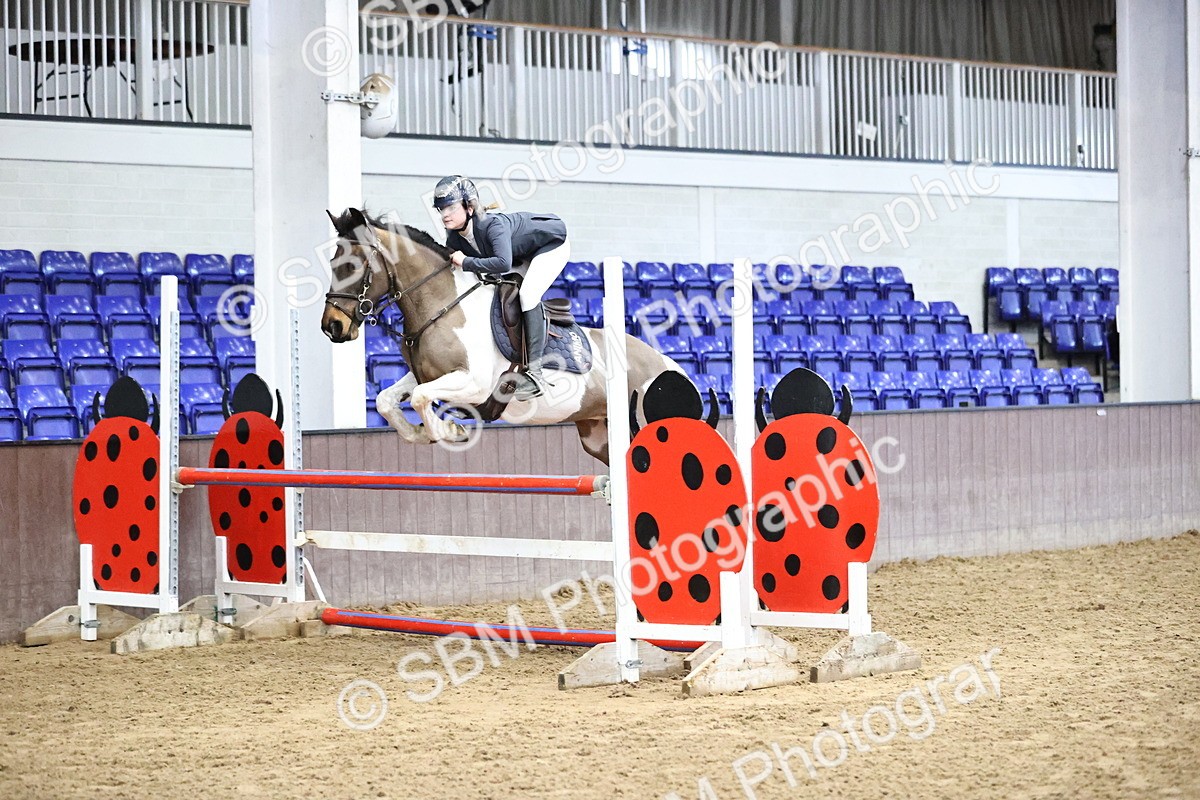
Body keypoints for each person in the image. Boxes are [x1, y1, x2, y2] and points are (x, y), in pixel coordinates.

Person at [433, 175, 570, 399]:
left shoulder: (491, 225)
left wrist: (466, 262)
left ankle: (536, 374)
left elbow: (502, 263)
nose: (444, 214)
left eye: (450, 207)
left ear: (469, 207)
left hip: (551, 245)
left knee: (528, 295)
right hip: (522, 255)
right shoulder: (454, 238)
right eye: (440, 209)